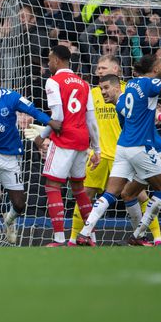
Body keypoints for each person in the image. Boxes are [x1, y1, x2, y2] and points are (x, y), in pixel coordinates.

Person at [76, 54, 161, 246]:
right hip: (142, 147)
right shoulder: (149, 83)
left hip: (123, 147)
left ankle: (84, 232)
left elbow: (122, 114)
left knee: (112, 193)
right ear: (154, 69)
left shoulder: (130, 86)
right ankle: (139, 234)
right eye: (160, 64)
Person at [0, 71, 61, 244]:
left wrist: (49, 122)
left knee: (19, 205)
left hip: (10, 155)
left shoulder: (11, 97)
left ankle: (9, 221)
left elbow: (32, 110)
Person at [30, 46, 100, 247]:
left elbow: (58, 117)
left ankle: (59, 239)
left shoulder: (53, 81)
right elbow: (91, 120)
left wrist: (41, 136)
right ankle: (90, 237)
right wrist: (96, 149)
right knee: (79, 189)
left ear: (57, 60)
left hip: (63, 139)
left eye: (50, 60)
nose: (48, 64)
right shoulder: (84, 84)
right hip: (81, 140)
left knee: (52, 186)